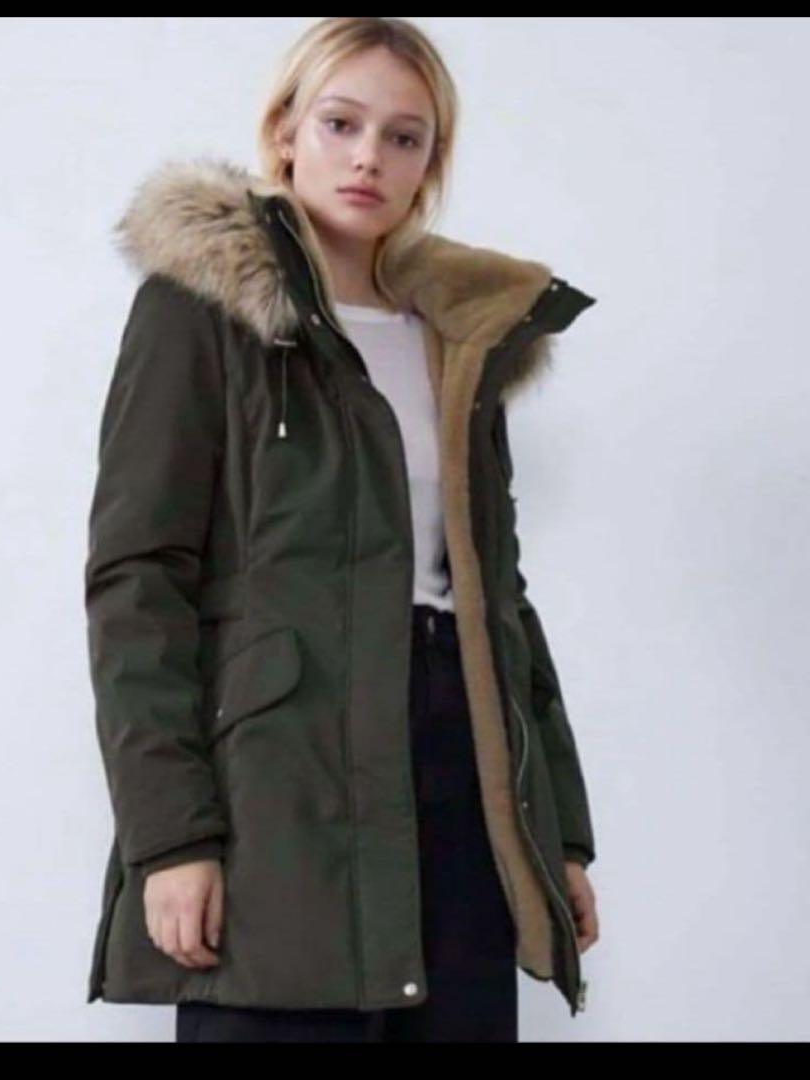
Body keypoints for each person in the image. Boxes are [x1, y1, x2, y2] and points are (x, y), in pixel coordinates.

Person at [84, 16, 599, 1043]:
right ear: (284, 131)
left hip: (459, 774)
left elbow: (499, 600)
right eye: (341, 123)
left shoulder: (460, 339)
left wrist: (561, 835)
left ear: (429, 164)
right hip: (279, 788)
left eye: (403, 137)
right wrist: (170, 838)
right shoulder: (203, 312)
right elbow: (138, 580)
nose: (369, 157)